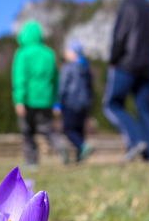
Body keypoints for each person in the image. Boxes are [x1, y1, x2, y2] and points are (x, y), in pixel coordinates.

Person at [103, 0, 149, 161]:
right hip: (147, 69)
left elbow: (120, 37)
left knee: (111, 104)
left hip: (126, 65)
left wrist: (113, 60)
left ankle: (136, 141)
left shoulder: (128, 6)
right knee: (144, 110)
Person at [12, 20, 68, 170]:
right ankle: (60, 144)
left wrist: (19, 100)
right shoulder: (49, 53)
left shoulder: (23, 54)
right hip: (46, 99)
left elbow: (20, 78)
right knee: (47, 128)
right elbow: (56, 79)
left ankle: (31, 161)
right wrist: (56, 99)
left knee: (28, 131)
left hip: (28, 99)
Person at [56, 39, 93, 162]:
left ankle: (83, 146)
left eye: (68, 50)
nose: (66, 53)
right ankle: (79, 157)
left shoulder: (68, 67)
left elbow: (63, 87)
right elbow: (89, 87)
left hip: (70, 103)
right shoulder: (86, 67)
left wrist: (58, 103)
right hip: (84, 104)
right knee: (79, 129)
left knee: (68, 129)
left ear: (73, 52)